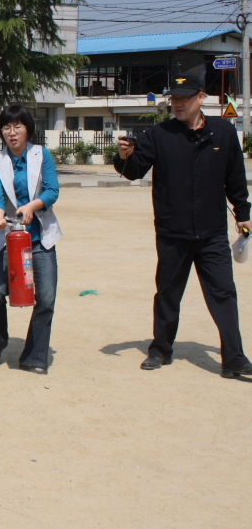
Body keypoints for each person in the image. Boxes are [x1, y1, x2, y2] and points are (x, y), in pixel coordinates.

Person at [114, 71, 252, 378]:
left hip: (212, 233)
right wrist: (124, 156)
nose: (177, 104)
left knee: (224, 293)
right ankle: (160, 349)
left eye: (184, 99)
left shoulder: (224, 132)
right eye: (174, 99)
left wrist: (243, 213)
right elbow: (135, 170)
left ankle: (234, 358)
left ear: (201, 98)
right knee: (168, 293)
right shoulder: (159, 135)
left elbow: (235, 178)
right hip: (172, 232)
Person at [0, 105, 61, 375]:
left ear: (28, 129)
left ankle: (35, 356)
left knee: (47, 296)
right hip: (8, 237)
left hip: (40, 238)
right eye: (6, 127)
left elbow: (52, 190)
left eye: (18, 127)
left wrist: (32, 207)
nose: (12, 132)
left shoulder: (42, 156)